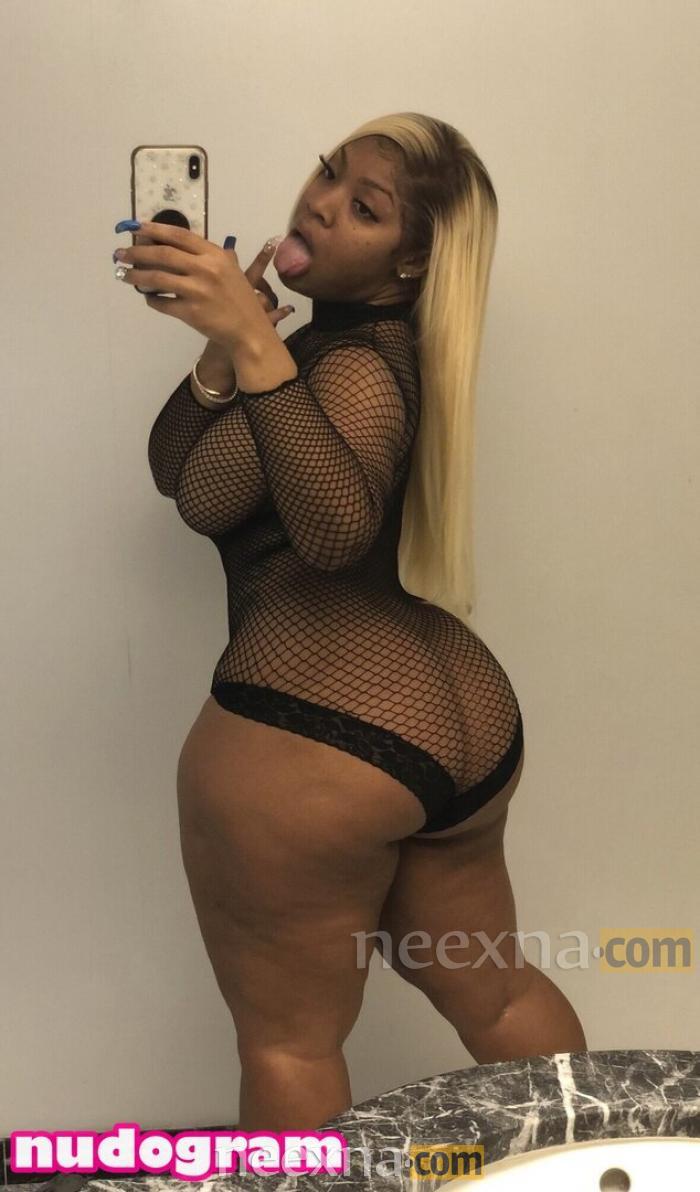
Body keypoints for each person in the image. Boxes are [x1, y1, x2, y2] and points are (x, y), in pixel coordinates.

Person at [144, 112, 587, 1130]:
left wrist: (258, 347)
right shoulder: (339, 350)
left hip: (318, 730)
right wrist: (231, 347)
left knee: (289, 1043)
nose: (320, 205)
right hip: (457, 721)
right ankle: (608, 1169)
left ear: (409, 264)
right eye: (327, 174)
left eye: (364, 207)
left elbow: (333, 533)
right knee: (497, 993)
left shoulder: (344, 368)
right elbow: (189, 480)